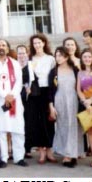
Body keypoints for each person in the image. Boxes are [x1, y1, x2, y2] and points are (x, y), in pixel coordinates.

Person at [0, 39, 28, 168]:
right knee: (0, 130)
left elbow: (19, 82)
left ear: (8, 49)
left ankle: (19, 157)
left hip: (15, 100)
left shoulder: (15, 64)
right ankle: (3, 158)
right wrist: (5, 96)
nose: (1, 47)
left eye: (3, 45)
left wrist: (11, 96)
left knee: (17, 129)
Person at [26, 33, 57, 164]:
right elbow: (26, 77)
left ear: (44, 43)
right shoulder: (30, 59)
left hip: (47, 91)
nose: (37, 45)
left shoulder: (51, 59)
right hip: (34, 93)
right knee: (37, 122)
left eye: (39, 42)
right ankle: (41, 152)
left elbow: (54, 77)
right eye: (35, 43)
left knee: (49, 121)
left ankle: (49, 150)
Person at [48, 46, 80, 168]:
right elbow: (50, 91)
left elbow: (80, 86)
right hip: (59, 100)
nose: (58, 58)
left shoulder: (75, 69)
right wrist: (51, 107)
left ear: (66, 57)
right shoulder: (54, 72)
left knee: (73, 127)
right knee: (63, 127)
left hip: (73, 100)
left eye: (60, 56)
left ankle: (72, 154)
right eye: (56, 56)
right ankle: (67, 153)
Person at [16, 44, 35, 158]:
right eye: (19, 53)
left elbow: (35, 79)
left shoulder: (31, 65)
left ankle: (27, 148)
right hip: (17, 95)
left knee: (28, 121)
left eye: (23, 53)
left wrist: (30, 87)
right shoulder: (14, 65)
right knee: (18, 121)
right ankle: (18, 147)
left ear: (27, 54)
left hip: (28, 96)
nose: (21, 55)